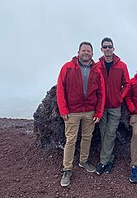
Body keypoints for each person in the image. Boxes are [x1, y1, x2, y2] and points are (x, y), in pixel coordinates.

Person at [57, 42, 105, 187]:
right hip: (73, 111)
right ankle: (67, 168)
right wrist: (63, 110)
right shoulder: (67, 67)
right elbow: (60, 89)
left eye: (89, 51)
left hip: (90, 111)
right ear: (78, 52)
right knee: (70, 139)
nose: (86, 53)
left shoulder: (97, 70)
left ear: (92, 53)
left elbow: (101, 93)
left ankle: (83, 161)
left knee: (87, 137)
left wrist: (99, 112)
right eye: (84, 50)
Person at [95, 37, 130, 175]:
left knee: (110, 133)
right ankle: (110, 159)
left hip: (115, 106)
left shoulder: (122, 66)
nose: (107, 49)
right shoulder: (97, 66)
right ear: (102, 49)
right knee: (103, 132)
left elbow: (127, 84)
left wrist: (120, 97)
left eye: (110, 46)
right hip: (101, 106)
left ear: (113, 49)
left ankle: (103, 161)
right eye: (105, 47)